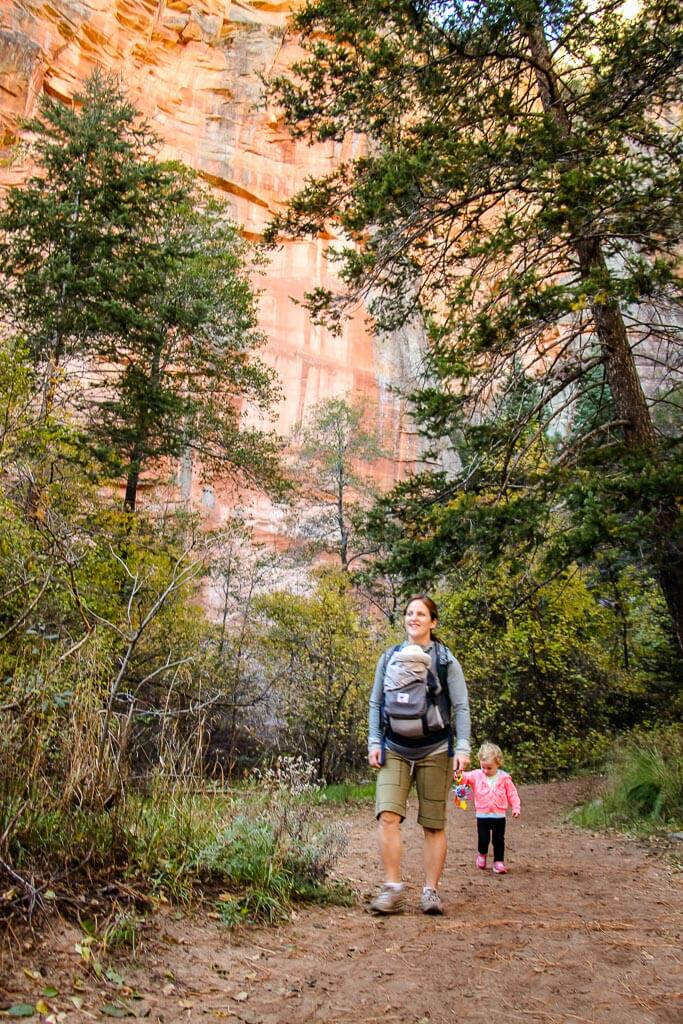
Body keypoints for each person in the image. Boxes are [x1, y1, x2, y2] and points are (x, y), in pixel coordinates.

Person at [367, 595, 471, 915]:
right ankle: (392, 888)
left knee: (433, 824)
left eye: (421, 614)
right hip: (394, 748)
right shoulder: (390, 657)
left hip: (436, 749)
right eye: (410, 613)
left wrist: (463, 747)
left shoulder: (445, 660)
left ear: (433, 622)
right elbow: (375, 703)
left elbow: (460, 706)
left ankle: (430, 892)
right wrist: (374, 741)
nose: (414, 618)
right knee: (387, 816)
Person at [459, 741, 521, 875]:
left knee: (499, 840)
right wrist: (460, 770)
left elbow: (512, 794)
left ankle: (498, 862)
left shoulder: (504, 778)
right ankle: (482, 855)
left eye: (489, 768)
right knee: (483, 838)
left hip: (499, 816)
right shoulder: (476, 775)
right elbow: (462, 779)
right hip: (482, 815)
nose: (485, 771)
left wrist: (516, 807)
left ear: (498, 764)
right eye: (483, 767)